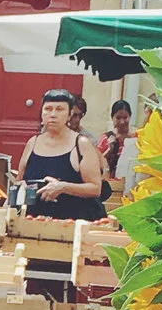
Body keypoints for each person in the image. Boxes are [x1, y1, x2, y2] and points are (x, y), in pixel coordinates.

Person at [20, 88, 105, 219]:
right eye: (48, 109)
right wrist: (23, 187)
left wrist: (62, 187)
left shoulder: (81, 144)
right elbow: (20, 180)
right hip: (35, 221)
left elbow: (95, 188)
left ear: (70, 114)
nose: (53, 114)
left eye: (60, 109)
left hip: (73, 221)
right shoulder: (32, 143)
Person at [100, 98, 139, 201]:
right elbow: (95, 163)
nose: (122, 122)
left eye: (125, 117)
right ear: (112, 117)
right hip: (112, 187)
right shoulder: (106, 138)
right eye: (118, 117)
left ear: (130, 116)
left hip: (133, 185)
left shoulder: (138, 136)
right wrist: (109, 150)